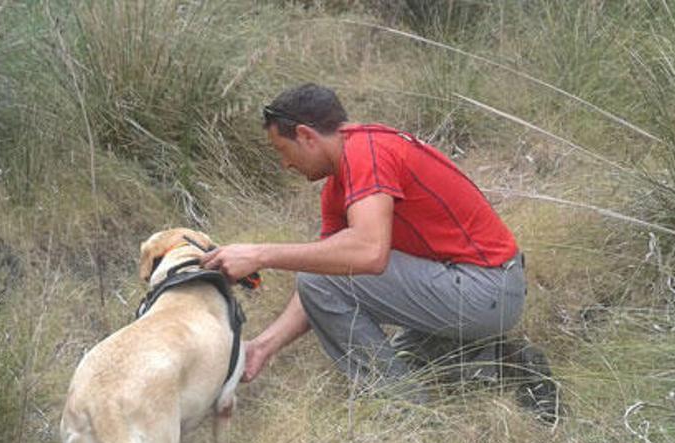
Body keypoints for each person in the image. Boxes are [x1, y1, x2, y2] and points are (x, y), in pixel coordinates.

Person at [201, 83, 556, 420]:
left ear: (306, 136)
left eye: (282, 150)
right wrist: (264, 346)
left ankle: (404, 410)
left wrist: (261, 255)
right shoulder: (343, 179)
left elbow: (369, 253)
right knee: (403, 356)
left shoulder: (366, 152)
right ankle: (498, 360)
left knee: (325, 286)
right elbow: (329, 277)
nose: (286, 164)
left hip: (486, 288)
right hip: (476, 288)